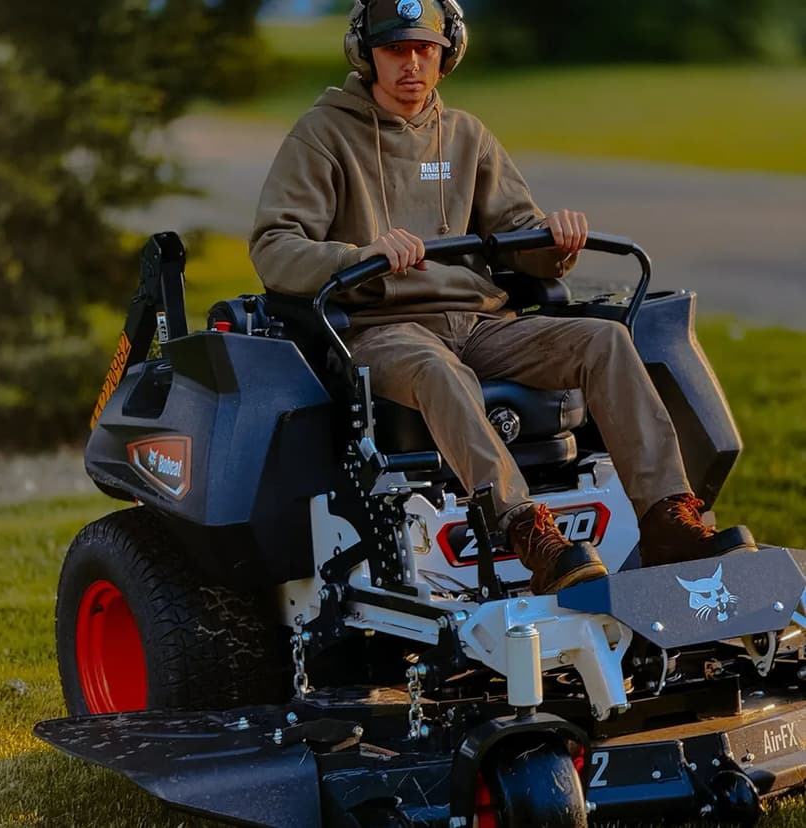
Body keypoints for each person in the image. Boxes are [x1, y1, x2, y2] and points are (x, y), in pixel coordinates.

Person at [250, 0, 750, 595]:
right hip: (383, 328)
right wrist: (359, 258)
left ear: (446, 55)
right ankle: (528, 532)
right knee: (440, 372)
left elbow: (521, 240)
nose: (411, 64)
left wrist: (557, 243)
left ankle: (668, 519)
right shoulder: (323, 134)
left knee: (605, 340)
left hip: (479, 322)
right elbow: (274, 246)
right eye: (395, 50)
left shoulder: (467, 136)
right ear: (366, 54)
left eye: (424, 49)